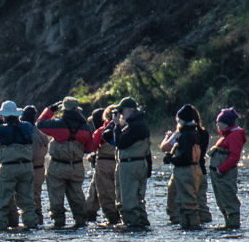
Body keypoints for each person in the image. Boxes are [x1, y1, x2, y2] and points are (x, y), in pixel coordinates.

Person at [0, 101, 41, 230]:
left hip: (8, 168)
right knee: (27, 202)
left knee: (0, 202)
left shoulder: (2, 130)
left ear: (4, 115)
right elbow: (16, 127)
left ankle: (0, 229)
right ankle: (32, 226)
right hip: (27, 167)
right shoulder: (27, 126)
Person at [36, 97, 96, 228]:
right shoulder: (85, 127)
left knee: (56, 196)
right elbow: (89, 149)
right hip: (76, 167)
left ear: (64, 110)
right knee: (77, 196)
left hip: (57, 166)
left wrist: (50, 110)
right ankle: (81, 222)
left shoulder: (58, 124)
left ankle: (59, 223)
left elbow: (40, 124)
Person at [160, 104, 203, 230]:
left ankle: (193, 227)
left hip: (186, 171)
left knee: (188, 203)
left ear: (183, 121)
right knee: (181, 202)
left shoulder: (186, 135)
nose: (177, 123)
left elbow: (185, 158)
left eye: (178, 120)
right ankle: (185, 227)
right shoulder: (193, 132)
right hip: (191, 170)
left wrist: (172, 159)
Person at [111, 97, 151, 229]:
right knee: (138, 200)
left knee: (128, 201)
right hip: (139, 164)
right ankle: (142, 225)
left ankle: (133, 227)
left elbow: (121, 143)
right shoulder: (141, 123)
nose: (120, 114)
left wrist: (116, 126)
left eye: (122, 111)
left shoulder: (135, 125)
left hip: (130, 165)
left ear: (130, 110)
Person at [209, 107, 246, 229]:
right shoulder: (226, 135)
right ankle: (228, 225)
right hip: (219, 176)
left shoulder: (235, 135)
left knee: (230, 201)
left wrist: (220, 169)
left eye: (219, 121)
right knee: (222, 201)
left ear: (226, 123)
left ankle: (233, 227)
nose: (217, 124)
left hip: (225, 175)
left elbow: (234, 157)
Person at [86, 105, 121, 226]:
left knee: (106, 194)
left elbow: (91, 146)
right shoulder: (125, 128)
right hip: (121, 163)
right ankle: (122, 217)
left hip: (104, 165)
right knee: (120, 192)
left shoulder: (101, 130)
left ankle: (112, 219)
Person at [20, 104, 50, 225]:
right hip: (40, 169)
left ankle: (34, 223)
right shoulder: (41, 132)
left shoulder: (32, 134)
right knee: (36, 197)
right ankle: (38, 222)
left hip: (32, 168)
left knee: (30, 199)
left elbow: (31, 154)